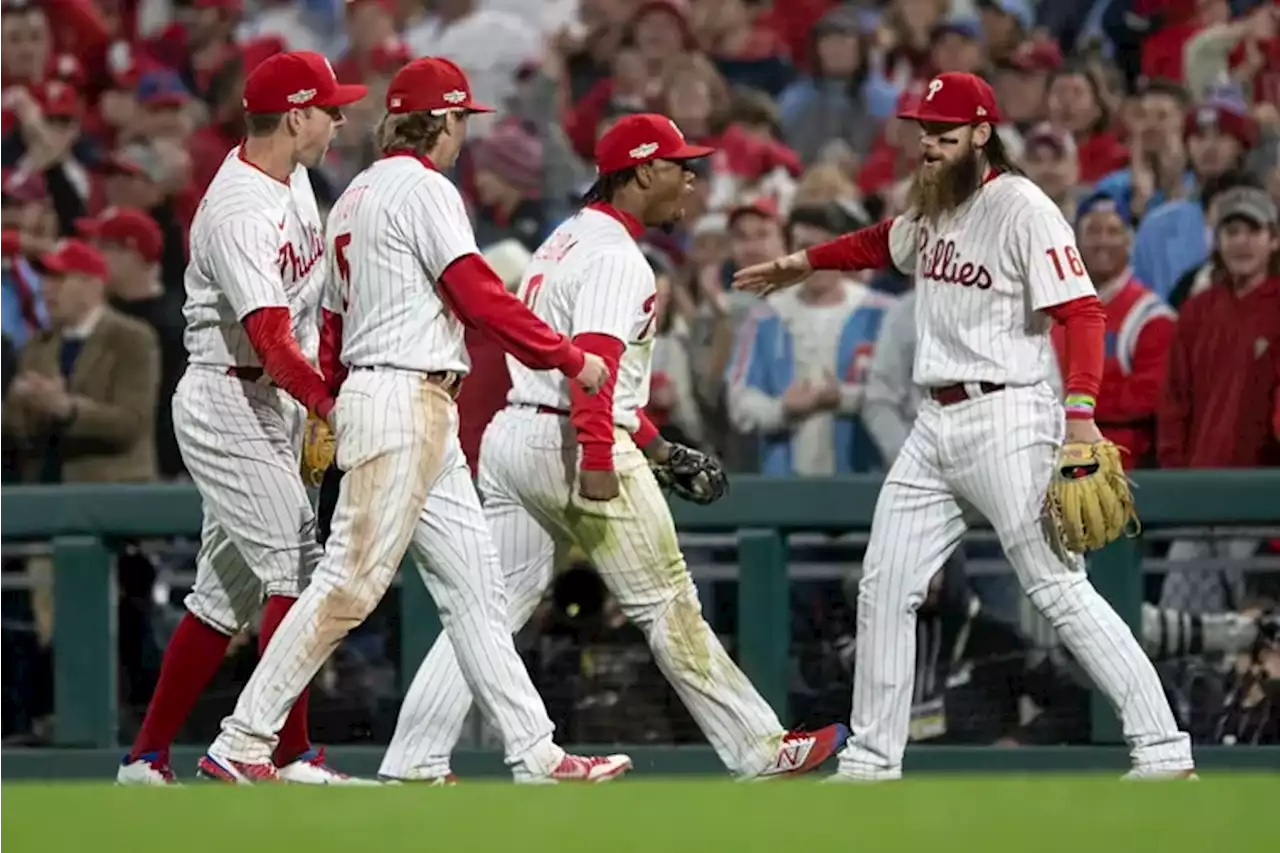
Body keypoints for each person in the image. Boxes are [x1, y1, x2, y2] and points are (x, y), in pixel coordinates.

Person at [733, 72, 1195, 781]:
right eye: (924, 134)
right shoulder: (939, 201)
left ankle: (1163, 747)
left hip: (1009, 410)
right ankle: (871, 760)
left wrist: (1079, 416)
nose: (930, 146)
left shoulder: (1022, 207)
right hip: (934, 422)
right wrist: (803, 262)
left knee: (1057, 588)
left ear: (982, 132)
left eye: (944, 135)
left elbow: (1081, 313)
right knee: (884, 584)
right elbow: (886, 242)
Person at [376, 113, 848, 784]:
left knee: (487, 610)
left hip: (516, 435)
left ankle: (414, 758)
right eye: (680, 166)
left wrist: (656, 448)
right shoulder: (617, 258)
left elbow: (586, 369)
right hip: (573, 438)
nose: (691, 178)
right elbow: (590, 367)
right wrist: (600, 457)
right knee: (666, 598)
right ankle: (758, 748)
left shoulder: (565, 237)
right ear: (643, 171)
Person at [202, 57, 620, 785]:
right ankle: (242, 738)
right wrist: (567, 356)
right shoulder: (425, 188)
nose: (463, 137)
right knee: (350, 583)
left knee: (477, 589)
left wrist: (332, 406)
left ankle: (537, 751)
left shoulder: (355, 193)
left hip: (407, 401)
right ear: (444, 122)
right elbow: (478, 295)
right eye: (461, 121)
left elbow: (329, 324)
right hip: (400, 397)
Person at [117, 51, 368, 786]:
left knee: (224, 592)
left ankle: (145, 760)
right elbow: (268, 336)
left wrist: (313, 400)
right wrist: (326, 401)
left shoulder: (294, 179)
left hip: (272, 395)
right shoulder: (235, 209)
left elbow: (307, 311)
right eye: (329, 107)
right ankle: (284, 753)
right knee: (298, 562)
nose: (340, 118)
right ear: (295, 115)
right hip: (228, 391)